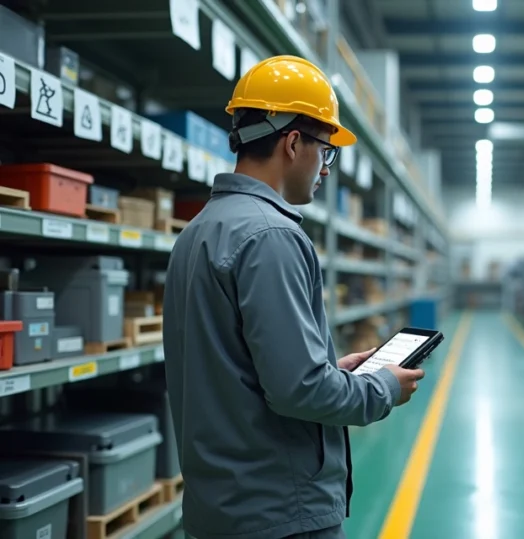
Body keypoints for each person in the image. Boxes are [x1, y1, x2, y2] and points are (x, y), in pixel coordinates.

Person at [162, 55, 425, 539]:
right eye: (327, 150)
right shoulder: (270, 235)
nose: (326, 168)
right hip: (279, 513)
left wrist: (331, 368)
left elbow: (241, 368)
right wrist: (383, 387)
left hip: (221, 508)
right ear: (293, 142)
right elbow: (299, 390)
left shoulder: (199, 231)